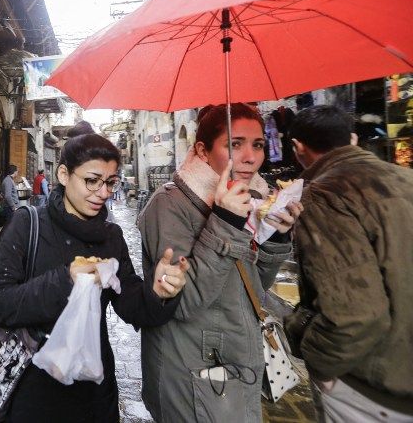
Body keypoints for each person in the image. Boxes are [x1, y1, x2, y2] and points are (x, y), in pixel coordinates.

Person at [0, 121, 189, 422]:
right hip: (31, 389)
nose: (102, 192)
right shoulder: (27, 225)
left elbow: (130, 303)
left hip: (93, 389)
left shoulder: (111, 237)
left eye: (110, 182)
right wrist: (66, 279)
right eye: (92, 180)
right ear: (64, 174)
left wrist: (158, 294)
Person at [138, 103, 303, 422]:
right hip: (196, 372)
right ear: (202, 150)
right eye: (235, 144)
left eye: (256, 144)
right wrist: (225, 220)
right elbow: (182, 302)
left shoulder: (248, 199)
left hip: (238, 360)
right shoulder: (169, 205)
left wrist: (276, 237)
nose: (252, 156)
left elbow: (251, 288)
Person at [284, 105, 413, 422]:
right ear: (353, 139)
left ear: (298, 148)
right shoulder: (406, 178)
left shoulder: (325, 195)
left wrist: (316, 359)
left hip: (371, 388)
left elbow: (353, 317)